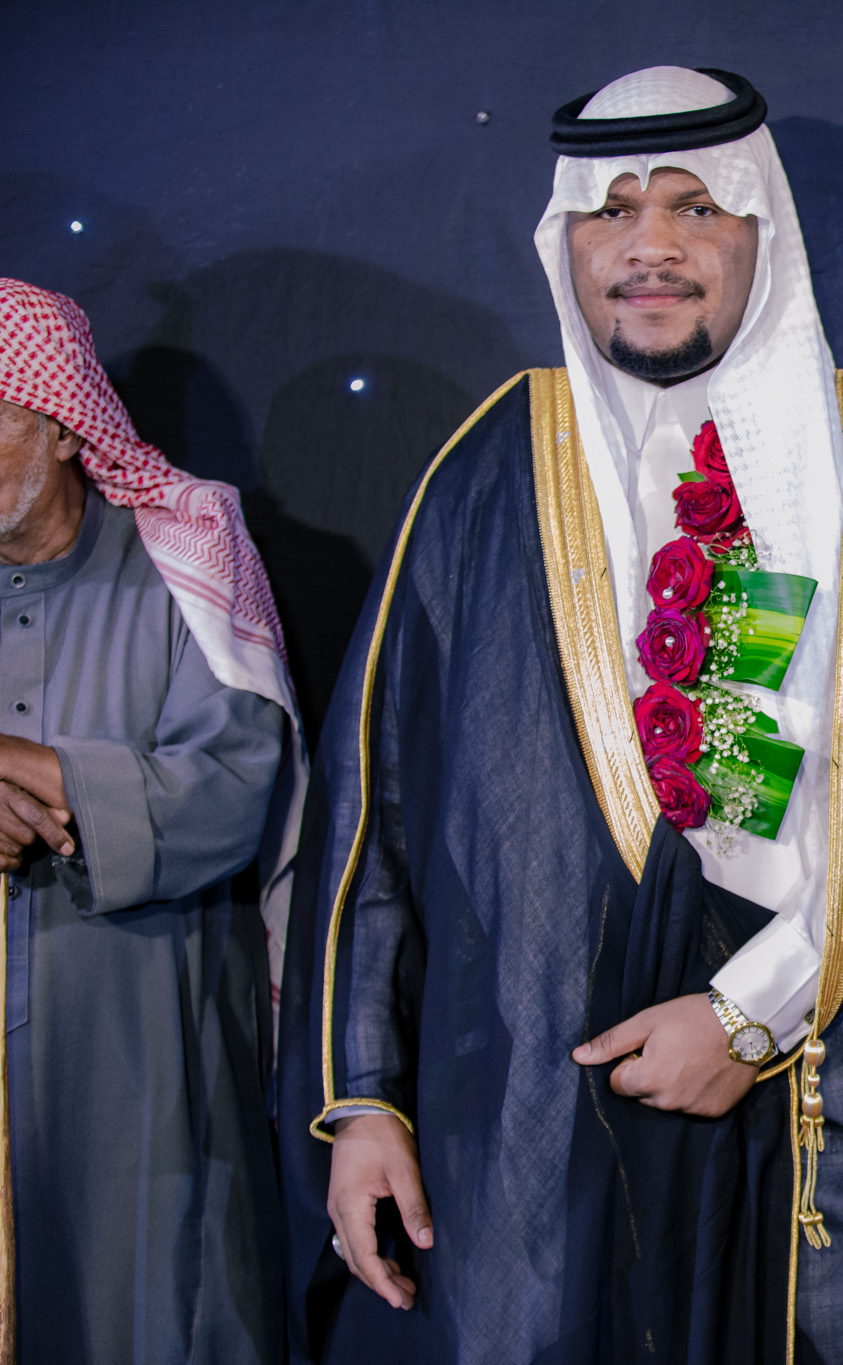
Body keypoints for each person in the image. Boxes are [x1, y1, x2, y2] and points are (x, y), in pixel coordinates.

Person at [279, 66, 843, 1365]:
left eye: (695, 207)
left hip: (829, 1107)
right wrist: (365, 1098)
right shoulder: (490, 467)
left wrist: (749, 1015)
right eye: (612, 211)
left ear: (760, 228)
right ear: (566, 238)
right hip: (538, 1128)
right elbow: (371, 814)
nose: (651, 247)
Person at [0, 279, 302, 1363]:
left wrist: (28, 773)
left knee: (146, 1302)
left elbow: (229, 787)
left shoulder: (187, 554)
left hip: (141, 1036)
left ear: (62, 425)